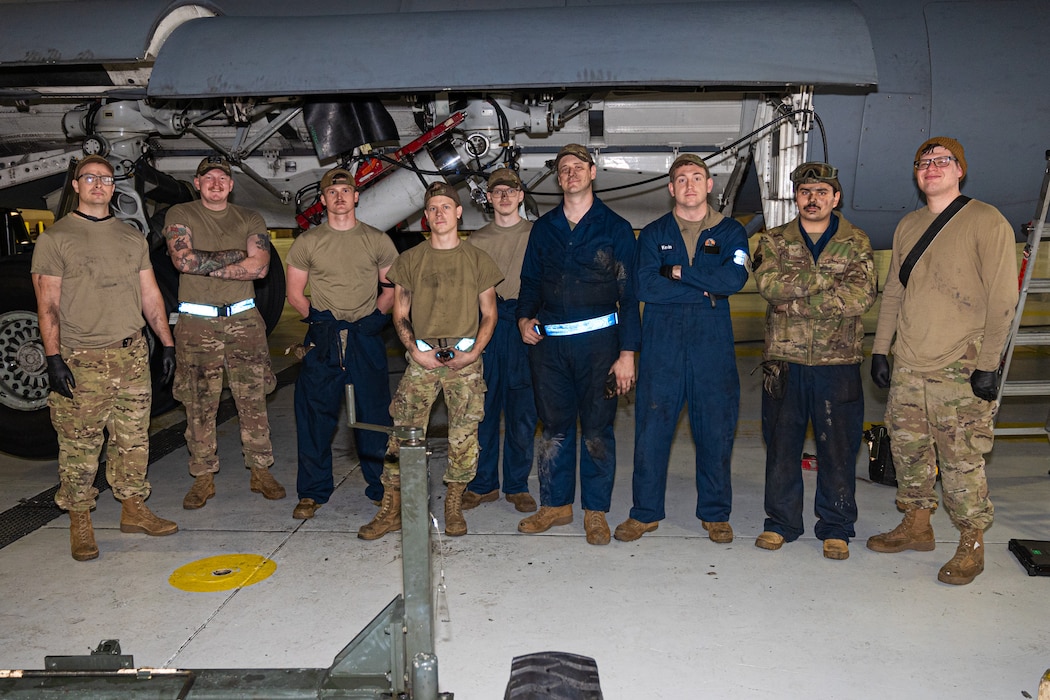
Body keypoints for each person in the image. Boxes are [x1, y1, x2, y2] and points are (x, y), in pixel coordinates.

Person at [867, 137, 1017, 584]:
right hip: (910, 361)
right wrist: (880, 348)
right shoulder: (908, 225)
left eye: (942, 161)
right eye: (923, 162)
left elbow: (1003, 298)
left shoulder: (987, 221)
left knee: (961, 457)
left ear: (960, 170)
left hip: (961, 363)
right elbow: (894, 291)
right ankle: (917, 525)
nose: (931, 168)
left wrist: (989, 363)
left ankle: (971, 540)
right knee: (908, 450)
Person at [31, 154, 179, 561]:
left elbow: (151, 296)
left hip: (130, 355)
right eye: (90, 178)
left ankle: (133, 508)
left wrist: (166, 343)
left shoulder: (131, 237)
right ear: (76, 186)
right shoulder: (55, 239)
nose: (100, 184)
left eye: (107, 179)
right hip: (82, 359)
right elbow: (48, 305)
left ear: (115, 188)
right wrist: (54, 357)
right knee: (80, 445)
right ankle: (80, 519)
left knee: (133, 440)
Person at [613, 154, 750, 545]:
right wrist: (703, 287)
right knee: (652, 431)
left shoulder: (730, 232)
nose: (689, 185)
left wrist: (678, 272)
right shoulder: (654, 234)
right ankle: (645, 513)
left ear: (709, 185)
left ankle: (715, 514)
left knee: (715, 431)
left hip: (713, 347)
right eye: (680, 179)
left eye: (697, 177)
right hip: (663, 346)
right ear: (671, 189)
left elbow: (732, 279)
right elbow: (646, 288)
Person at [358, 181, 501, 540]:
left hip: (465, 359)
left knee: (464, 436)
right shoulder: (410, 261)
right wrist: (415, 350)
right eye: (432, 208)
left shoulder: (478, 259)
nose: (439, 213)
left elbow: (489, 314)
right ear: (426, 217)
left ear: (458, 213)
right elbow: (400, 313)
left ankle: (454, 501)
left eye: (445, 207)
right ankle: (392, 506)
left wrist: (473, 352)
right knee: (403, 435)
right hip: (422, 357)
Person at [751, 161, 877, 560]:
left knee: (838, 449)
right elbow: (770, 287)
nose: (813, 199)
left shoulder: (856, 241)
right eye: (806, 192)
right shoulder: (772, 240)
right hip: (785, 361)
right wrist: (827, 280)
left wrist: (799, 301)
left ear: (835, 198)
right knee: (781, 446)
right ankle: (782, 522)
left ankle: (836, 526)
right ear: (796, 197)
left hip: (837, 361)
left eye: (822, 192)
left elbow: (861, 296)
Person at [516, 143, 640, 546]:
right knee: (553, 428)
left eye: (578, 166)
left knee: (597, 430)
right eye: (564, 168)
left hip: (600, 345)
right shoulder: (544, 228)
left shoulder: (615, 228)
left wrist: (627, 354)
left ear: (593, 173)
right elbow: (530, 281)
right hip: (550, 347)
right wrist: (523, 317)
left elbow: (629, 294)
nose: (571, 173)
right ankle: (555, 505)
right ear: (559, 177)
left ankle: (595, 511)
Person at [164, 155, 286, 510]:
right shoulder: (181, 214)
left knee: (254, 398)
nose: (216, 183)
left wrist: (207, 266)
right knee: (199, 402)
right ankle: (203, 476)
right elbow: (182, 261)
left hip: (244, 321)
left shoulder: (249, 217)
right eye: (208, 177)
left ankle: (260, 470)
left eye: (222, 178)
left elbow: (260, 268)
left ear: (231, 185)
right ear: (198, 182)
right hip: (197, 323)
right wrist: (236, 258)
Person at [285, 167, 398, 519]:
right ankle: (312, 492)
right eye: (331, 192)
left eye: (345, 191)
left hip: (364, 340)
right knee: (315, 417)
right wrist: (321, 322)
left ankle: (380, 486)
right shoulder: (309, 242)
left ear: (356, 196)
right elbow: (294, 292)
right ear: (323, 200)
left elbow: (391, 287)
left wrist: (372, 321)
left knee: (375, 415)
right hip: (325, 339)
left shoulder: (377, 239)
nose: (339, 197)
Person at [462, 168, 538, 514]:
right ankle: (483, 484)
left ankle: (517, 485)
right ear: (489, 198)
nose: (505, 196)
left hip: (523, 326)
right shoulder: (476, 241)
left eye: (511, 190)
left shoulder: (537, 235)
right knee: (484, 409)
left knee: (523, 411)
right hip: (488, 327)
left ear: (521, 195)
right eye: (498, 192)